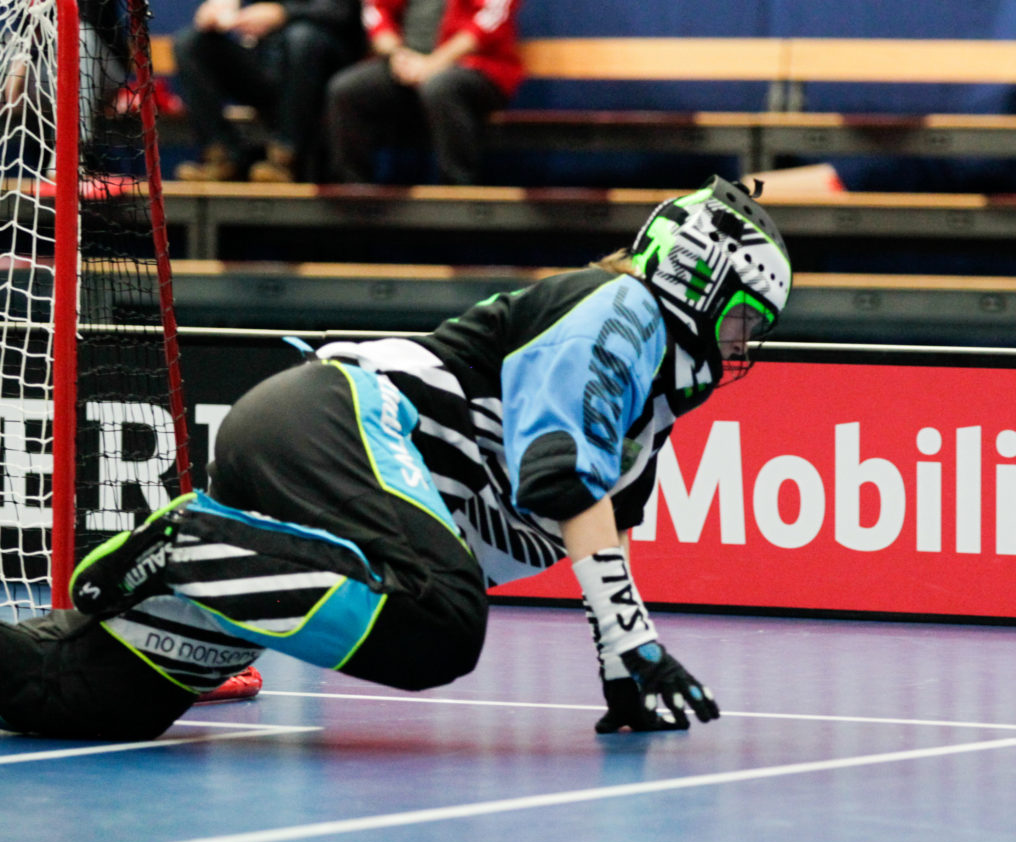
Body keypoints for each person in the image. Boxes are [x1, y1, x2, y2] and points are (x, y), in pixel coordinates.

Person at [0, 176, 792, 740]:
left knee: (81, 695)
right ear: (700, 280)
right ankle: (187, 548)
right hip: (329, 424)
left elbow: (600, 540)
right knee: (443, 621)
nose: (741, 348)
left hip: (304, 508)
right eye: (745, 321)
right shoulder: (623, 309)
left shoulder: (642, 426)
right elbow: (558, 470)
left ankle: (194, 558)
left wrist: (626, 676)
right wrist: (636, 643)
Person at [326, 0, 522, 185]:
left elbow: (492, 17)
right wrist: (396, 55)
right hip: (407, 63)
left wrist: (434, 63)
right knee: (347, 90)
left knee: (441, 87)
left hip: (474, 66)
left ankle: (458, 191)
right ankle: (355, 194)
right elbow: (377, 10)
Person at [173, 0, 365, 182]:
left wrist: (283, 13)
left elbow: (341, 12)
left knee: (301, 38)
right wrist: (220, 8)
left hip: (325, 71)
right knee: (191, 43)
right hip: (269, 63)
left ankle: (286, 160)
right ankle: (223, 157)